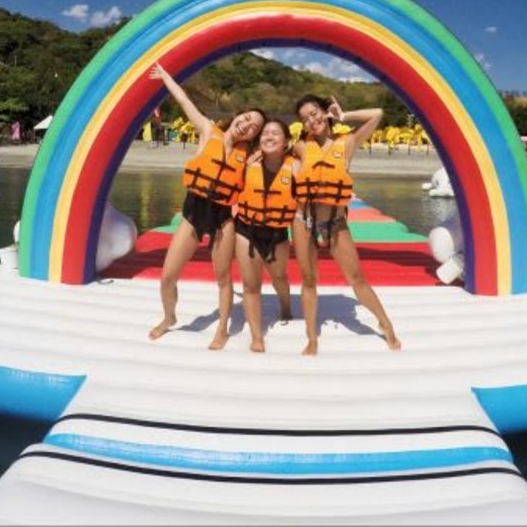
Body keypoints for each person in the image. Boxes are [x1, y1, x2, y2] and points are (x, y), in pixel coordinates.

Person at [147, 63, 265, 349]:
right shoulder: (207, 130)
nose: (248, 125)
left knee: (223, 278)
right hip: (193, 211)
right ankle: (169, 317)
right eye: (247, 118)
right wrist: (166, 76)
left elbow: (280, 145)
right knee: (167, 278)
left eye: (254, 128)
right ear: (238, 116)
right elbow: (184, 101)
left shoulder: (249, 154)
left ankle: (222, 328)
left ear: (252, 136)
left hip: (223, 218)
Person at [292, 94, 401, 355]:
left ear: (324, 112)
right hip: (303, 220)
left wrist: (343, 116)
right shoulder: (301, 147)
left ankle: (386, 325)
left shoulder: (348, 142)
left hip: (336, 220)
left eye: (314, 113)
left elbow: (377, 113)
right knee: (308, 280)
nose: (311, 120)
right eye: (305, 118)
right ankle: (312, 338)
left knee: (357, 278)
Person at [234, 119, 296, 352]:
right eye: (265, 133)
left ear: (286, 141)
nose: (269, 137)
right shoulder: (248, 164)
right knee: (251, 285)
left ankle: (286, 306)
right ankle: (257, 336)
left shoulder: (295, 167)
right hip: (246, 229)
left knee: (279, 277)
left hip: (277, 232)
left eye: (275, 133)